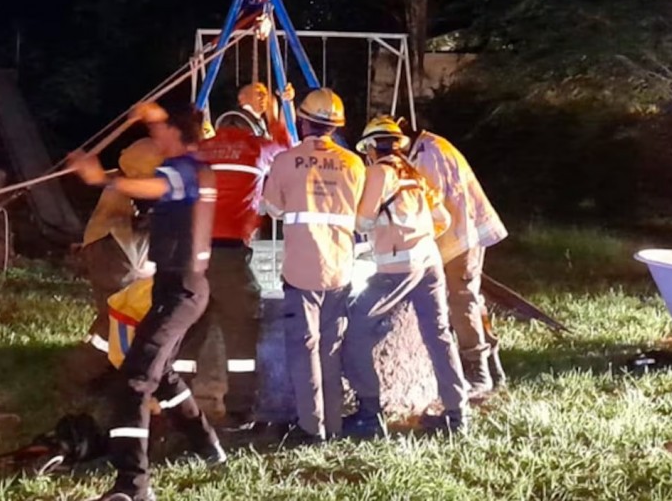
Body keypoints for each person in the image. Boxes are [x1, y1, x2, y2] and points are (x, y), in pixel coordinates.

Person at [69, 102, 225, 501]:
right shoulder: (193, 164)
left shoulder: (183, 170)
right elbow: (163, 153)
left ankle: (132, 486)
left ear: (175, 133)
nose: (154, 138)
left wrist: (98, 178)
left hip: (181, 291)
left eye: (160, 131)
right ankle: (208, 448)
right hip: (175, 287)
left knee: (135, 382)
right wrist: (151, 114)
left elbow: (152, 186)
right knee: (164, 373)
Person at [343, 116, 470, 434]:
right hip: (429, 264)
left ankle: (369, 414)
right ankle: (457, 417)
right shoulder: (414, 173)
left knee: (355, 331)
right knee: (439, 336)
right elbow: (441, 218)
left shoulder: (377, 172)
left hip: (396, 269)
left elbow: (362, 223)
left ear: (371, 147)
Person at [186, 83, 294, 427]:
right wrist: (278, 109)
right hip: (230, 256)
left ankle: (174, 404)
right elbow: (288, 149)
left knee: (189, 330)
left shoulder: (201, 149)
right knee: (242, 331)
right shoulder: (256, 148)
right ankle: (239, 411)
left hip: (193, 255)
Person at [261, 88, 365, 442]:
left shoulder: (286, 160)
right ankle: (333, 424)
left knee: (305, 348)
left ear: (303, 122)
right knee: (331, 346)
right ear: (336, 127)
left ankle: (311, 427)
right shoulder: (354, 163)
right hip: (340, 267)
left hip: (301, 269)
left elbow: (271, 209)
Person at [401, 117, 509, 399]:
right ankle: (493, 368)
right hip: (463, 229)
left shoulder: (428, 157)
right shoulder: (428, 146)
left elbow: (428, 208)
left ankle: (477, 374)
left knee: (461, 299)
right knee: (471, 298)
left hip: (462, 234)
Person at [68, 138, 163, 387]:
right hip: (114, 246)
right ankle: (90, 372)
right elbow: (146, 192)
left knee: (115, 314)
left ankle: (96, 370)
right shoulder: (150, 151)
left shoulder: (152, 151)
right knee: (121, 314)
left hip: (115, 245)